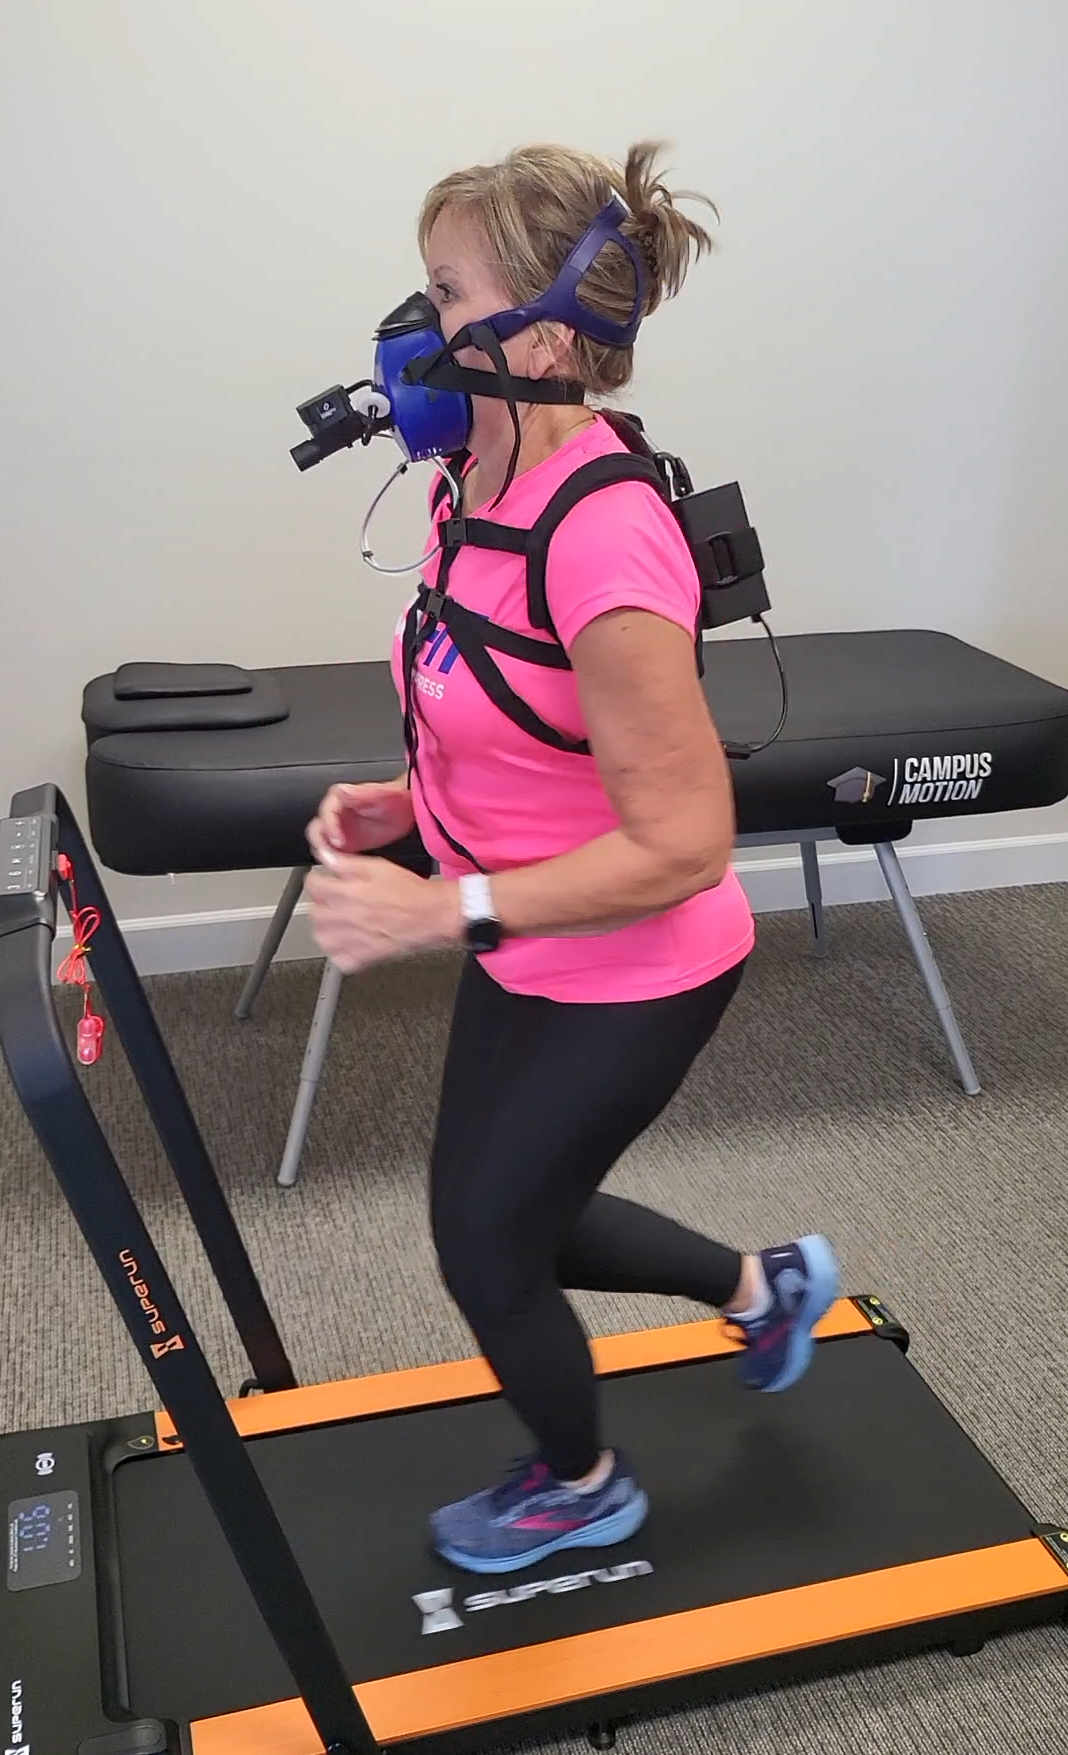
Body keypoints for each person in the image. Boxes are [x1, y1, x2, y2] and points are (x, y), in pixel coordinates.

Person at [305, 140, 838, 1576]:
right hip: (524, 929)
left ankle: (582, 1481)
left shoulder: (603, 543)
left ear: (538, 331)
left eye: (439, 291)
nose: (409, 326)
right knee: (497, 1211)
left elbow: (682, 841)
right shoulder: (468, 481)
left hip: (645, 958)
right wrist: (405, 812)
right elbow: (514, 725)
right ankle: (765, 1285)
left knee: (487, 1242)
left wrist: (440, 906)